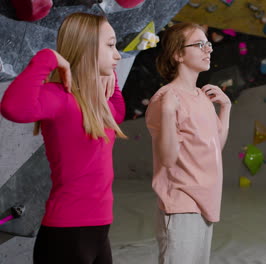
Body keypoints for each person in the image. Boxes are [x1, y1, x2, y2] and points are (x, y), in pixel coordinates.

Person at [0, 12, 125, 264]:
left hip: (100, 229)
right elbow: (12, 108)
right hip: (67, 233)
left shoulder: (98, 105)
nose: (118, 54)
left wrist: (112, 78)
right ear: (86, 46)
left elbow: (118, 113)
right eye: (110, 45)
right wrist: (48, 58)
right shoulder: (60, 98)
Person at [145, 22, 231, 264]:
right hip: (181, 204)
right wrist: (168, 112)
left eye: (209, 44)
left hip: (206, 203)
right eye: (200, 44)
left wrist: (225, 108)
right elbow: (169, 158)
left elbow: (215, 147)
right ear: (178, 54)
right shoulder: (166, 99)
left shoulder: (202, 96)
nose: (209, 50)